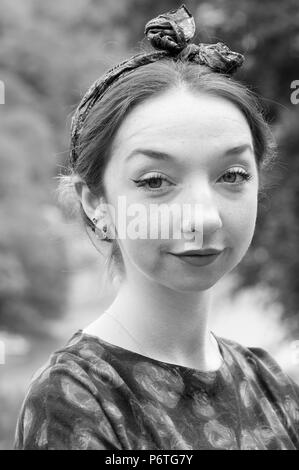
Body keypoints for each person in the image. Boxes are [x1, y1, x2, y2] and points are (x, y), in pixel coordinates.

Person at [14, 5, 299, 450]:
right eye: (154, 181)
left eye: (233, 175)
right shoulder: (78, 397)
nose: (203, 217)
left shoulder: (270, 383)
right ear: (96, 203)